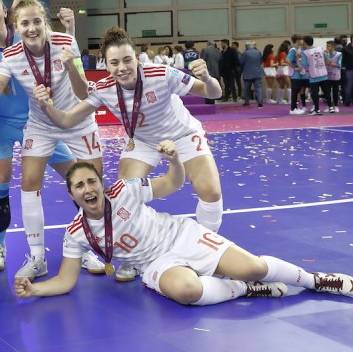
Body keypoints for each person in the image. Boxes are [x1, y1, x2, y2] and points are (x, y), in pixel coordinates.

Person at [14, 149, 353, 305]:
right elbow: (65, 280)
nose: (88, 189)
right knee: (188, 293)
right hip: (154, 265)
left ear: (101, 183)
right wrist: (36, 289)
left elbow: (171, 183)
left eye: (92, 181)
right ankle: (245, 290)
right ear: (72, 193)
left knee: (254, 267)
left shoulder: (125, 191)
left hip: (181, 235)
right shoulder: (76, 232)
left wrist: (175, 161)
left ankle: (316, 281)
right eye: (80, 186)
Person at [36, 26, 223, 279]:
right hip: (143, 140)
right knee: (124, 195)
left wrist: (209, 79)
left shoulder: (162, 74)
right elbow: (68, 119)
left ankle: (204, 252)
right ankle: (133, 256)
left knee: (210, 192)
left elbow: (214, 93)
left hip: (183, 135)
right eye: (114, 62)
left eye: (127, 60)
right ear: (106, 64)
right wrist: (46, 107)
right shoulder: (104, 88)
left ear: (136, 57)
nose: (122, 67)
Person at [0, 0, 102, 273]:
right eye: (25, 24)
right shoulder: (3, 54)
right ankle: (24, 253)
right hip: (24, 124)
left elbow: (82, 92)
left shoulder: (65, 42)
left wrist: (70, 62)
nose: (31, 28)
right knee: (18, 182)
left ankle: (90, 243)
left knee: (83, 179)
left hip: (65, 119)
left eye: (36, 22)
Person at [240, 41, 264, 108]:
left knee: (247, 89)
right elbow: (260, 61)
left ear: (246, 46)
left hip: (248, 73)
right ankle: (260, 102)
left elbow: (241, 61)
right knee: (258, 88)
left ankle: (247, 101)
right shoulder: (258, 52)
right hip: (257, 72)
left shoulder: (245, 53)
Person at [325, 40, 342, 113]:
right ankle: (329, 106)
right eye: (326, 46)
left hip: (335, 75)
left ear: (333, 46)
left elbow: (339, 65)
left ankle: (336, 106)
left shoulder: (339, 54)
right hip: (327, 75)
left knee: (335, 91)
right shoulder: (325, 54)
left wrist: (330, 64)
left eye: (328, 46)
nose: (327, 47)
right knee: (327, 91)